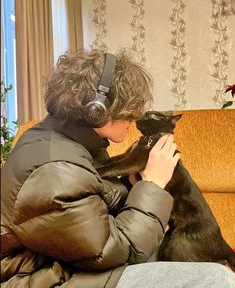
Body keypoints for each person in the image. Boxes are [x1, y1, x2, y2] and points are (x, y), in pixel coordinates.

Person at [1, 49, 234, 288]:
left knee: (206, 266)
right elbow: (114, 250)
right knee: (216, 279)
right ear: (96, 110)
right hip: (50, 278)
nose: (134, 118)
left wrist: (133, 182)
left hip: (73, 262)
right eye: (128, 111)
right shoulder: (55, 171)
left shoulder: (70, 143)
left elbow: (94, 205)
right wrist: (152, 185)